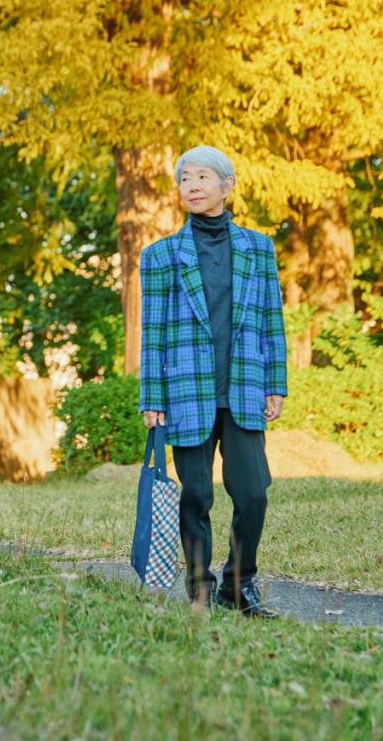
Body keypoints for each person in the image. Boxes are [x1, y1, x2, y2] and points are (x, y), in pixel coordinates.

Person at [138, 145, 287, 616]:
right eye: (185, 179)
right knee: (195, 495)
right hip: (186, 392)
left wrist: (275, 383)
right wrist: (152, 397)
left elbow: (270, 319)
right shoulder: (161, 256)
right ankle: (201, 590)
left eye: (203, 177)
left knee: (252, 494)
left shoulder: (257, 249)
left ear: (227, 185)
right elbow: (153, 332)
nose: (193, 186)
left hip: (243, 388)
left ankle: (239, 587)